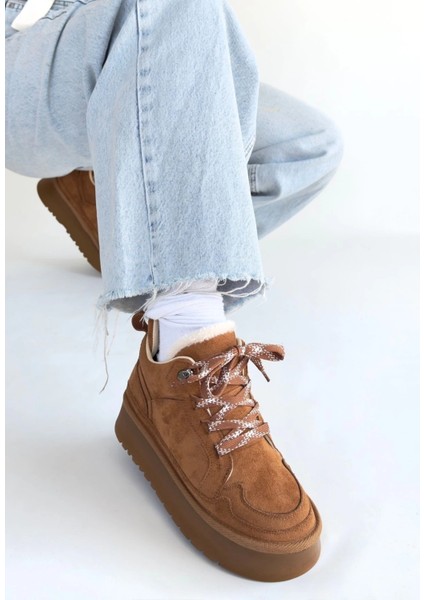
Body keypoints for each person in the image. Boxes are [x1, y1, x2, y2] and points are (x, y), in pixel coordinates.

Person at [5, 0, 343, 582]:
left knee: (308, 146)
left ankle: (124, 219)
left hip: (109, 29)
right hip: (21, 46)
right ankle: (186, 342)